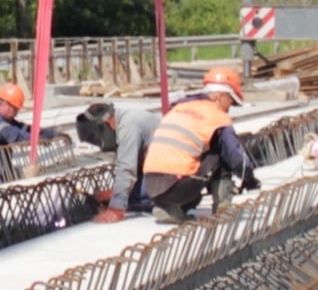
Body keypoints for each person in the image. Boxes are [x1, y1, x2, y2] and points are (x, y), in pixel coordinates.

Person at [139, 67, 259, 223]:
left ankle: (168, 208)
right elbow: (236, 157)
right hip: (179, 185)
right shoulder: (217, 117)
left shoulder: (178, 109)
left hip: (151, 186)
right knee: (220, 153)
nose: (229, 109)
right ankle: (222, 209)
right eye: (230, 102)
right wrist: (249, 178)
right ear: (221, 96)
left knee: (195, 160)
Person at [75, 100, 161, 222]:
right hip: (169, 169)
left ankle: (165, 203)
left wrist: (116, 207)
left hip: (175, 176)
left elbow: (127, 168)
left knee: (132, 198)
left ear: (106, 124)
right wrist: (115, 192)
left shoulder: (128, 126)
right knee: (127, 193)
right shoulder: (127, 117)